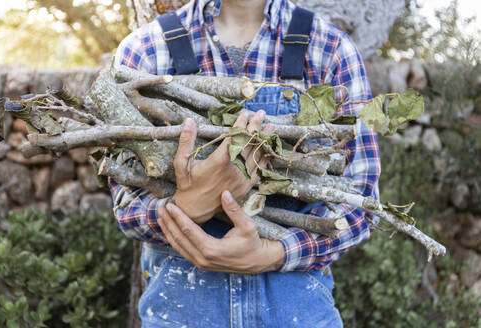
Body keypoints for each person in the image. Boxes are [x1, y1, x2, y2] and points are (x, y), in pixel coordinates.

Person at [110, 0, 381, 326]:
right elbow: (127, 205)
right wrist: (185, 208)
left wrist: (272, 254)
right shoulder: (145, 50)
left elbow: (361, 204)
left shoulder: (329, 48)